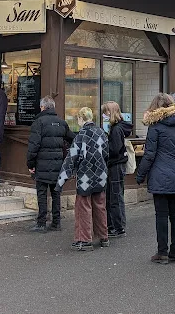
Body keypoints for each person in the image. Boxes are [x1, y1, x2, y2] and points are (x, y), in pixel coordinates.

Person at [136, 93, 175, 264]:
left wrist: (140, 175)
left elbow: (149, 155)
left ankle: (162, 253)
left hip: (160, 175)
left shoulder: (155, 127)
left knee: (161, 215)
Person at [56, 107, 109, 251]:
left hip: (85, 177)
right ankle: (103, 236)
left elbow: (71, 159)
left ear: (81, 119)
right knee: (100, 206)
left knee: (83, 207)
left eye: (78, 119)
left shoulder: (81, 135)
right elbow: (106, 154)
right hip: (101, 176)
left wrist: (60, 181)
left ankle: (84, 240)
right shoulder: (102, 133)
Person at [27, 96, 74, 233]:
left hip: (41, 164)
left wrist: (30, 164)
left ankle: (41, 223)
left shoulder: (38, 122)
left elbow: (33, 146)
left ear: (42, 107)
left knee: (42, 194)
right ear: (52, 107)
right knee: (56, 194)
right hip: (58, 165)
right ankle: (56, 222)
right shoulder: (62, 123)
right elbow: (73, 139)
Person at [101, 101, 133, 238]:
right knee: (117, 196)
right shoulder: (119, 127)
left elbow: (114, 150)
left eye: (105, 112)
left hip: (114, 166)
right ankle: (119, 225)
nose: (103, 115)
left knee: (114, 197)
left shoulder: (115, 129)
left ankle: (116, 227)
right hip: (118, 166)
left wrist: (103, 149)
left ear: (110, 112)